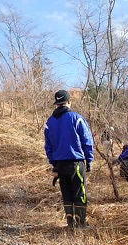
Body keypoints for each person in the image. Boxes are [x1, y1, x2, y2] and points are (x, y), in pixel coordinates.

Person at [44, 89, 94, 229]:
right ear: (69, 102)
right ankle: (81, 224)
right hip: (76, 163)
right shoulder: (76, 118)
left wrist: (54, 164)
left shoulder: (49, 122)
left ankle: (71, 224)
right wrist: (89, 160)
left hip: (59, 165)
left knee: (66, 193)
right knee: (79, 193)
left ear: (57, 103)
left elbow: (48, 146)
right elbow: (87, 140)